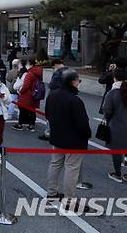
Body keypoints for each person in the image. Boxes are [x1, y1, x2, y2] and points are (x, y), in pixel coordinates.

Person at [45, 69, 92, 209]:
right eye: (79, 80)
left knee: (55, 164)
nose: (79, 83)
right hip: (74, 140)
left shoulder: (53, 95)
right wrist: (87, 135)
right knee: (71, 168)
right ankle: (69, 200)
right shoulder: (75, 100)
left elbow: (47, 115)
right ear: (73, 82)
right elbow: (82, 124)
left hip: (57, 136)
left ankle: (51, 192)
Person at [103, 69, 127, 184]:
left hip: (116, 125)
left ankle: (117, 174)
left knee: (117, 150)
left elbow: (107, 111)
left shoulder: (112, 93)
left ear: (114, 78)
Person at [13, 59, 42, 132]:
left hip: (26, 95)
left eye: (27, 64)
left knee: (22, 110)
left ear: (31, 64)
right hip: (34, 94)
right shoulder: (38, 73)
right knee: (32, 110)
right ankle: (31, 125)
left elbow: (26, 85)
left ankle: (20, 125)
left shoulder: (29, 73)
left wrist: (20, 91)